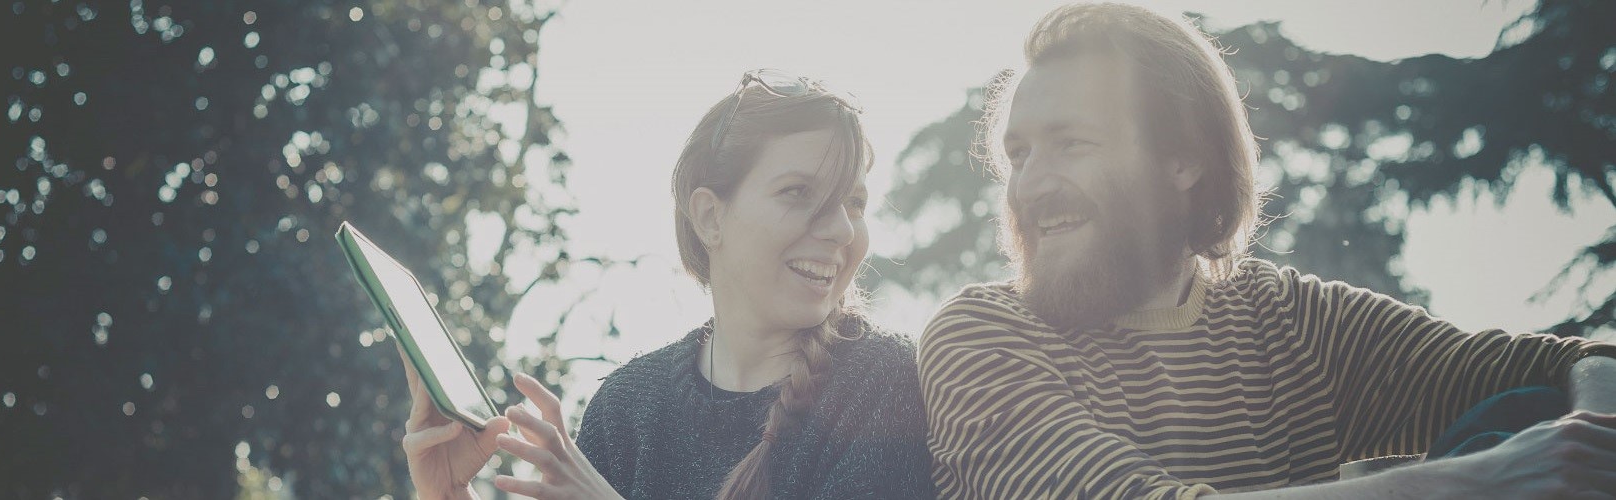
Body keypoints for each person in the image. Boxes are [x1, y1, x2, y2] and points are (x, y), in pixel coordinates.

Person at [918, 3, 1616, 498]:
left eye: (1070, 144)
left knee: (1522, 409)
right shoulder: (981, 334)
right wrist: (1471, 482)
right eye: (1017, 154)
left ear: (1183, 160)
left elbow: (1577, 361)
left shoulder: (1288, 317)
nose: (1030, 184)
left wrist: (1585, 443)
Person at [398, 69, 935, 499]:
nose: (842, 228)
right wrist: (449, 496)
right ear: (709, 218)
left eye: (855, 203)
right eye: (799, 192)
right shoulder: (627, 407)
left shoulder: (886, 382)